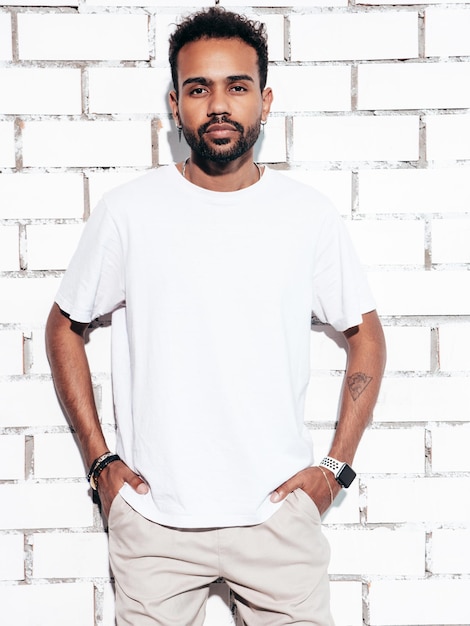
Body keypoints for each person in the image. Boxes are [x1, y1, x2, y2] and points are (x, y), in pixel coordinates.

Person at [45, 7, 386, 626]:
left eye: (237, 86)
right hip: (155, 523)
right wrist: (101, 465)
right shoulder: (130, 211)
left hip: (277, 519)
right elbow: (63, 326)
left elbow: (367, 338)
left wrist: (334, 472)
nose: (219, 104)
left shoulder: (306, 215)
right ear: (176, 104)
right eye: (199, 88)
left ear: (265, 98)